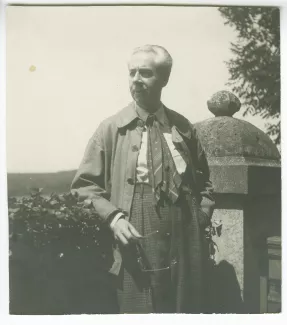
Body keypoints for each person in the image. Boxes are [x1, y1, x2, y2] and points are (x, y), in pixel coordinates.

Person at [71, 45, 215, 313]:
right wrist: (114, 218)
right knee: (141, 306)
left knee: (187, 307)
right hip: (136, 226)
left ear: (164, 79)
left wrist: (201, 215)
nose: (136, 79)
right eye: (132, 73)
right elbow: (83, 187)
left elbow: (205, 182)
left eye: (145, 73)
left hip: (186, 231)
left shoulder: (183, 127)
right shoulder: (111, 128)